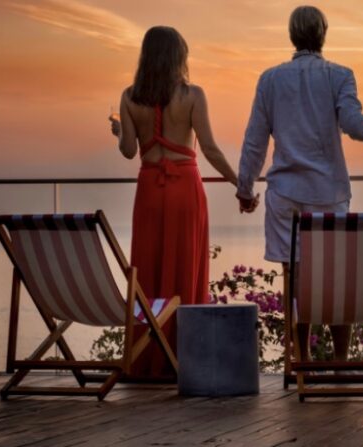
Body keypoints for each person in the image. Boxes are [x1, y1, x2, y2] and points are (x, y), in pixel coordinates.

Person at [236, 5, 363, 363]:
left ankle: (302, 359)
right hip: (328, 193)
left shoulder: (270, 79)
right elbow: (353, 123)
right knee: (336, 278)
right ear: (323, 34)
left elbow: (255, 141)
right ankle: (339, 360)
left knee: (293, 278)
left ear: (292, 36)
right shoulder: (340, 75)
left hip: (285, 196)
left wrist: (245, 189)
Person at [110, 26, 240, 380]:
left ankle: (147, 358)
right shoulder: (193, 95)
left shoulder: (128, 96)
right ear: (178, 56)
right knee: (185, 267)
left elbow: (128, 151)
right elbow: (210, 149)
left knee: (148, 267)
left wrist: (120, 131)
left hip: (150, 189)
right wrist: (240, 184)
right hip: (185, 189)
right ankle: (185, 358)